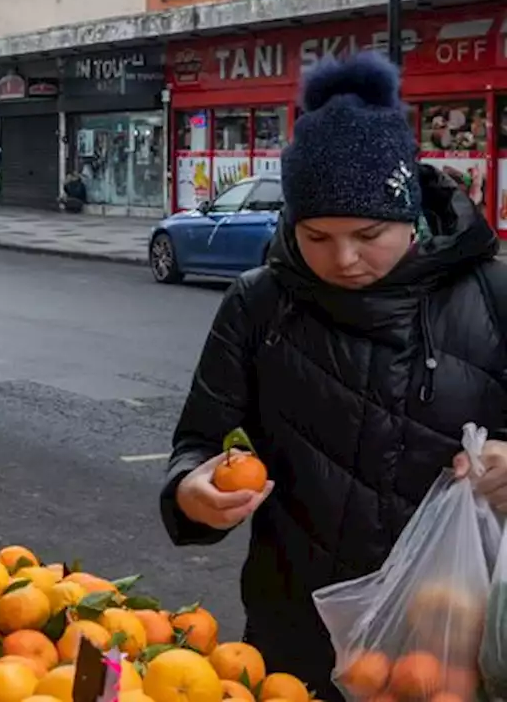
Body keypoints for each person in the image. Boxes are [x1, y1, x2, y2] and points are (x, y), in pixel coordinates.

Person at [161, 53, 507, 701]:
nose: (343, 258)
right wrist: (192, 491)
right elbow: (201, 443)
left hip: (452, 646)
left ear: (408, 210)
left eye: (368, 232)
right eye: (315, 235)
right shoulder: (258, 303)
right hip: (294, 643)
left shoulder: (493, 297)